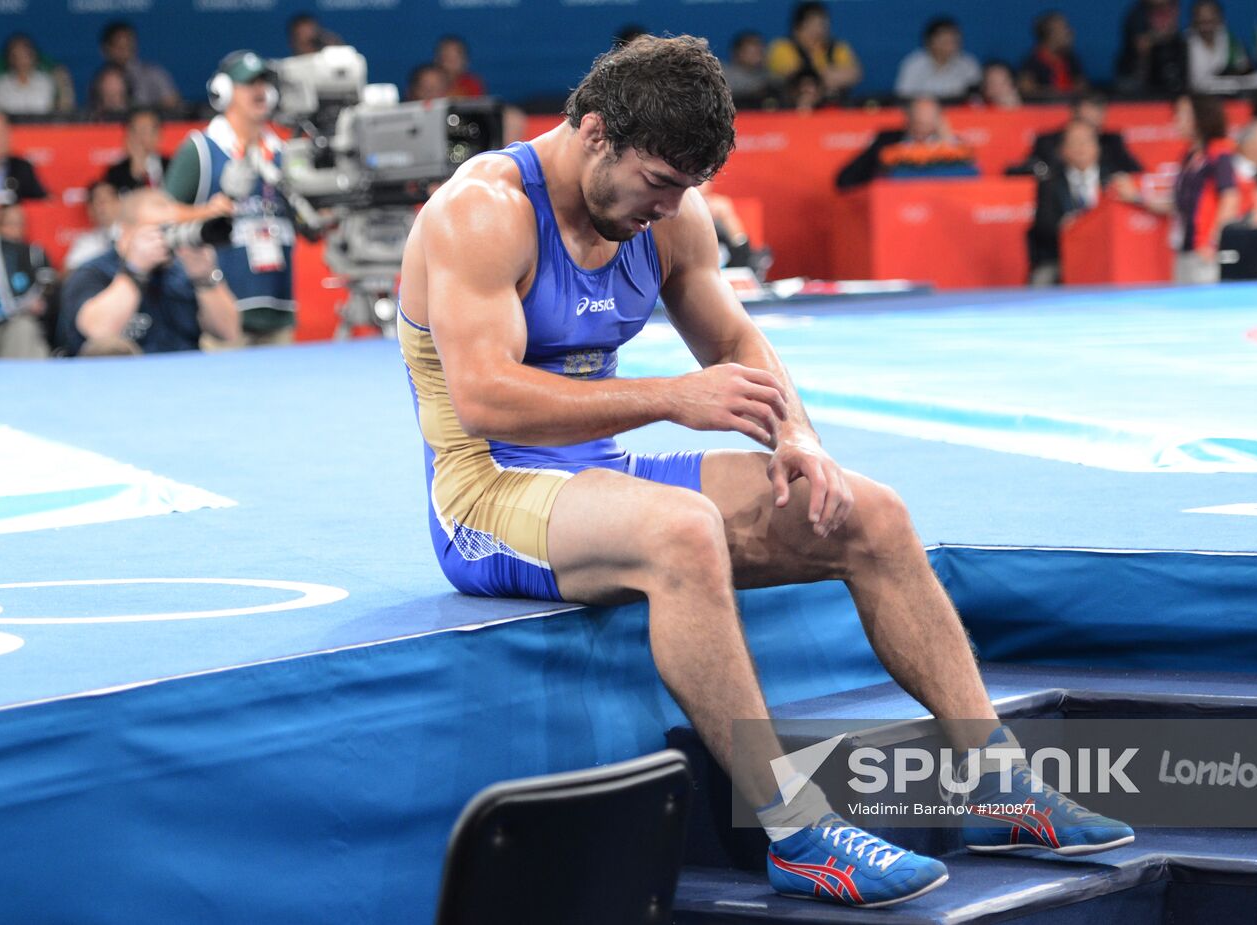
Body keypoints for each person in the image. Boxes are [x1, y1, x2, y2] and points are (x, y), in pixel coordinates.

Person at [396, 35, 1133, 908]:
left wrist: (802, 439)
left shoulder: (671, 214)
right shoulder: (482, 211)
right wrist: (673, 396)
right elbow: (485, 399)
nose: (665, 207)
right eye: (657, 183)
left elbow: (739, 342)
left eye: (682, 190)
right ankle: (796, 830)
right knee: (681, 531)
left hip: (600, 475)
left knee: (872, 513)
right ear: (594, 131)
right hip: (488, 496)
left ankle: (994, 783)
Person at [165, 51, 296, 347]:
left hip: (278, 310)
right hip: (220, 315)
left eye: (263, 82)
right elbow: (160, 214)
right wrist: (206, 213)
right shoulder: (201, 149)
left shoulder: (282, 152)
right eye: (248, 83)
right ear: (223, 91)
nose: (259, 90)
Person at [58, 188, 239, 356]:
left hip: (184, 378)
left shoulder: (181, 272)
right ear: (125, 231)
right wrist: (135, 270)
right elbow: (98, 331)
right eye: (159, 229)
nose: (166, 238)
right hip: (120, 382)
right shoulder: (93, 272)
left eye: (172, 228)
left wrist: (204, 278)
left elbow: (228, 331)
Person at [1027, 121, 1139, 286]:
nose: (1081, 147)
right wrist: (1065, 227)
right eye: (1074, 142)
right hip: (1062, 257)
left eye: (1086, 141)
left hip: (1107, 256)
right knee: (1041, 281)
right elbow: (1043, 224)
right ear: (1063, 150)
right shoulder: (1049, 183)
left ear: (1097, 147)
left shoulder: (1114, 180)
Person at [1169, 94, 1241, 283]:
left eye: (1183, 114)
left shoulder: (1219, 153)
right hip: (1185, 248)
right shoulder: (1189, 155)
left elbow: (1230, 198)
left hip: (1204, 252)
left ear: (1201, 117)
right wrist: (1137, 197)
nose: (1177, 120)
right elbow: (1178, 203)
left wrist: (1212, 242)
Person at [836, 96, 961, 189]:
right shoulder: (886, 141)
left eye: (925, 125)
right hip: (893, 208)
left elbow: (968, 182)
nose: (920, 130)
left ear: (938, 122)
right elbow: (846, 179)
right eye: (916, 123)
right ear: (907, 118)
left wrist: (947, 142)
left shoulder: (952, 145)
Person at [0, 186, 50, 358]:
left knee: (25, 328)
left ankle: (17, 383)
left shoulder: (18, 251)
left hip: (10, 323)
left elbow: (39, 288)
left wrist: (35, 301)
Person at [1015, 93, 1143, 177]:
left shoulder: (1111, 141)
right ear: (1073, 115)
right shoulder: (1047, 141)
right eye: (1085, 121)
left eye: (1095, 125)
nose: (1081, 146)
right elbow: (1023, 172)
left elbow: (1136, 172)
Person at [767, 2, 862, 104]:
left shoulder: (837, 48)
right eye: (813, 24)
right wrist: (830, 75)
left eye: (822, 24)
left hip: (832, 108)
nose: (819, 30)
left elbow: (854, 74)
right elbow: (797, 79)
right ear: (797, 27)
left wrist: (815, 77)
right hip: (790, 110)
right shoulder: (782, 48)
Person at [97, 21, 180, 112]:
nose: (124, 52)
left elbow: (172, 103)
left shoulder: (153, 74)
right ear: (105, 49)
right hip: (111, 125)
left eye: (128, 46)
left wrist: (146, 114)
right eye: (119, 47)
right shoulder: (101, 79)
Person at [893, 17, 981, 102]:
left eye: (954, 41)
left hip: (959, 114)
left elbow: (976, 99)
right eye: (945, 41)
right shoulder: (914, 64)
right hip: (924, 115)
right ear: (930, 42)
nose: (951, 46)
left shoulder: (968, 65)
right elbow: (903, 97)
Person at [0, 34, 73, 116]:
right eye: (16, 55)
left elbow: (58, 110)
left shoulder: (46, 82)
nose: (21, 60)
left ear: (33, 56)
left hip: (42, 129)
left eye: (25, 54)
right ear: (10, 58)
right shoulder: (1, 84)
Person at [1115, 0, 1187, 96]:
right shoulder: (1137, 14)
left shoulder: (1169, 10)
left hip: (1161, 76)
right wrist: (1163, 34)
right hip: (1133, 76)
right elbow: (1142, 45)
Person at [0, 107, 46, 205]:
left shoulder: (22, 168)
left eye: (5, 131)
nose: (3, 138)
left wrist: (20, 212)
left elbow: (43, 203)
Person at [1185, 0, 1252, 93]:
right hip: (1197, 98)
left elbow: (1243, 68)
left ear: (1220, 19)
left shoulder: (1230, 41)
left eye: (1211, 21)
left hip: (1228, 97)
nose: (1207, 28)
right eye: (1202, 22)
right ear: (1194, 21)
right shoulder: (1185, 44)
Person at [1018, 11, 1088, 100]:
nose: (1070, 33)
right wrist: (1057, 95)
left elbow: (1082, 87)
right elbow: (1027, 91)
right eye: (1064, 29)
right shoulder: (1030, 62)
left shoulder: (1072, 59)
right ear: (1049, 35)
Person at [104, 107, 167, 193]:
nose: (139, 136)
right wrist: (136, 171)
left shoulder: (172, 167)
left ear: (158, 136)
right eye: (134, 131)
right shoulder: (115, 173)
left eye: (144, 131)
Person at [65, 179, 121, 271]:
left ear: (119, 203)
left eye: (107, 199)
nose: (103, 204)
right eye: (98, 200)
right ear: (90, 209)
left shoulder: (133, 233)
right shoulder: (86, 242)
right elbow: (67, 274)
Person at [724, 31, 780, 108]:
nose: (757, 54)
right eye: (751, 51)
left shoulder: (769, 77)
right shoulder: (725, 75)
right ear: (737, 53)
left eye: (759, 50)